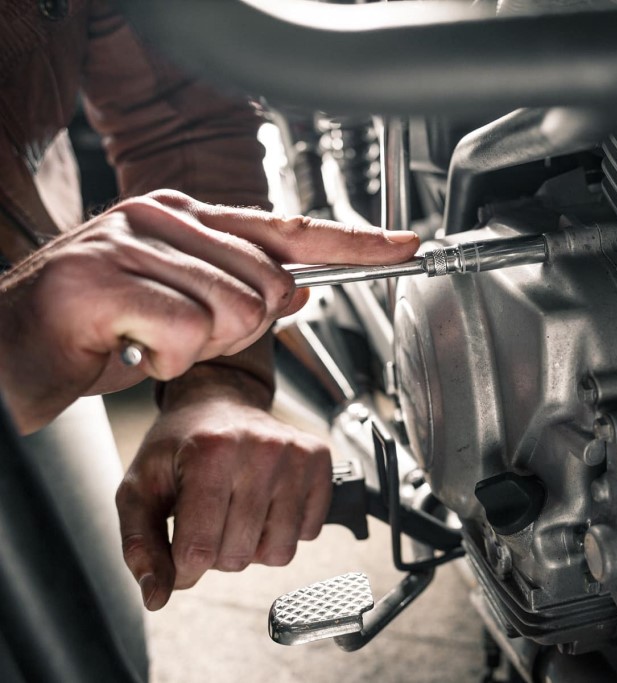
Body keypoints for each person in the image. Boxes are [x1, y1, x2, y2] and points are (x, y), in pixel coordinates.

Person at [0, 2, 418, 678]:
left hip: (37, 294)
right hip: (23, 334)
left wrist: (217, 381)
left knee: (92, 644)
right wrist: (13, 330)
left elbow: (178, 113)